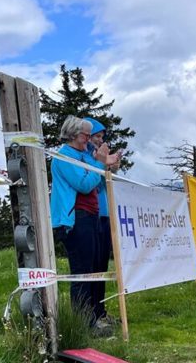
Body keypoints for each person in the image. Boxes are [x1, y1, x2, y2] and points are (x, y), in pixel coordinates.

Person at [51, 116, 119, 334]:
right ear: (72, 134)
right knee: (82, 271)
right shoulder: (63, 156)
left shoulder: (82, 154)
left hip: (90, 216)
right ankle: (84, 324)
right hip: (75, 219)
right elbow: (85, 184)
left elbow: (98, 180)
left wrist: (106, 164)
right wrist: (100, 162)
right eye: (85, 135)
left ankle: (94, 317)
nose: (88, 139)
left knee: (93, 269)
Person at [83, 117, 121, 326]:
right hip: (92, 215)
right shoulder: (87, 158)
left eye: (101, 137)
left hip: (104, 215)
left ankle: (100, 310)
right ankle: (90, 313)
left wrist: (112, 169)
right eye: (96, 136)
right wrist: (101, 162)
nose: (99, 140)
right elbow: (91, 185)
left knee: (101, 267)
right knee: (92, 268)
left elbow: (106, 185)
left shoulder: (99, 158)